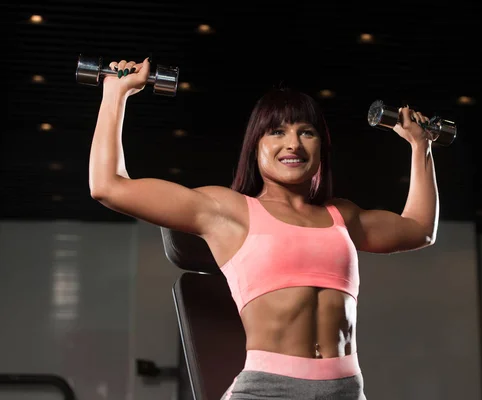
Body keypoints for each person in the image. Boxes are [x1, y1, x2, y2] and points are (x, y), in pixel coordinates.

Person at [88, 57, 439, 400]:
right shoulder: (228, 211)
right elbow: (108, 186)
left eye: (307, 132)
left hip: (346, 389)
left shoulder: (342, 216)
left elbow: (420, 229)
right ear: (255, 146)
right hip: (267, 389)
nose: (293, 144)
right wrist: (114, 95)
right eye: (277, 132)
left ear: (321, 147)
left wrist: (420, 146)